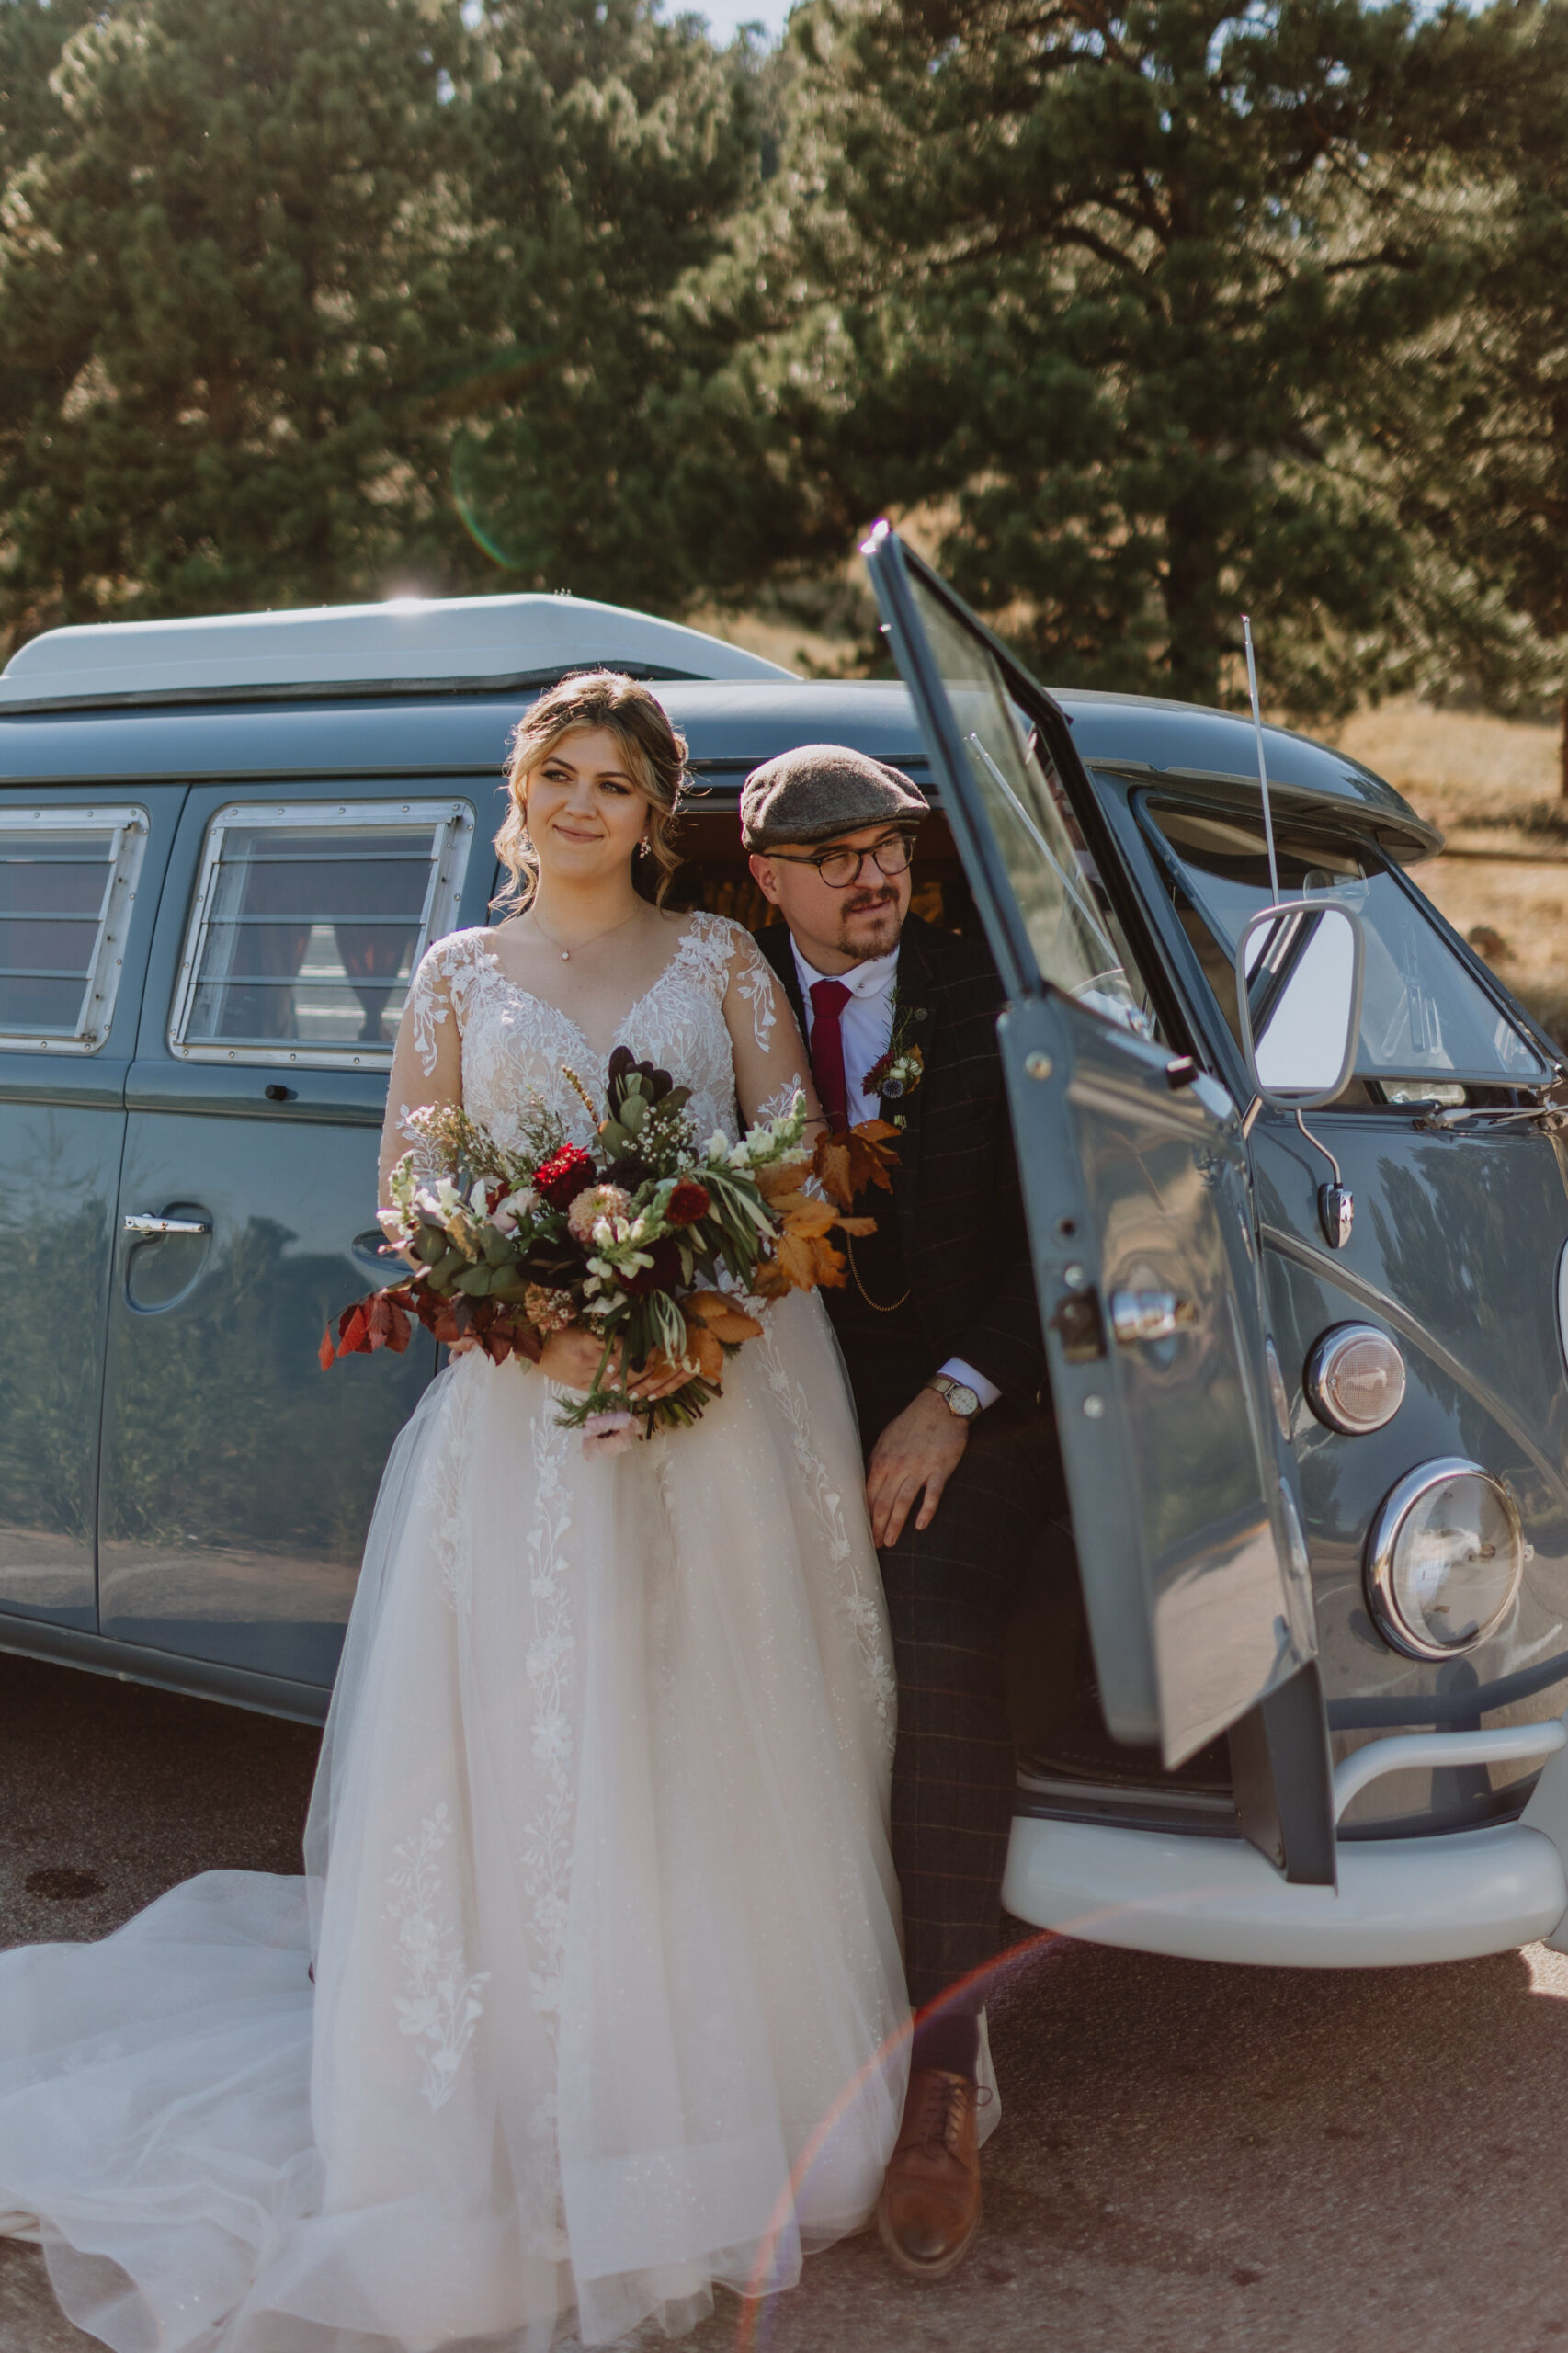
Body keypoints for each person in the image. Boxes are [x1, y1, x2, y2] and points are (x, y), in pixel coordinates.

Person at [0, 676, 909, 2353]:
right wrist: (545, 1315)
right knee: (541, 1734)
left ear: (657, 811)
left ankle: (704, 2106)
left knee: (707, 1727)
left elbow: (787, 1164)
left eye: (616, 781)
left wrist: (687, 1300)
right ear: (521, 798)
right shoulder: (456, 975)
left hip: (723, 1397)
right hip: (527, 1414)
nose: (582, 802)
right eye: (555, 774)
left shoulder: (719, 961)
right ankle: (513, 2103)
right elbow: (415, 1192)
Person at [747, 744, 1061, 2283]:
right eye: (834, 852)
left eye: (889, 847)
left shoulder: (987, 1000)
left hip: (971, 1400)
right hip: (770, 1391)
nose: (873, 874)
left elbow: (1059, 1238)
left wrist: (952, 1397)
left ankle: (941, 2079)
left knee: (934, 1645)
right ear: (768, 880)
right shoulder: (718, 989)